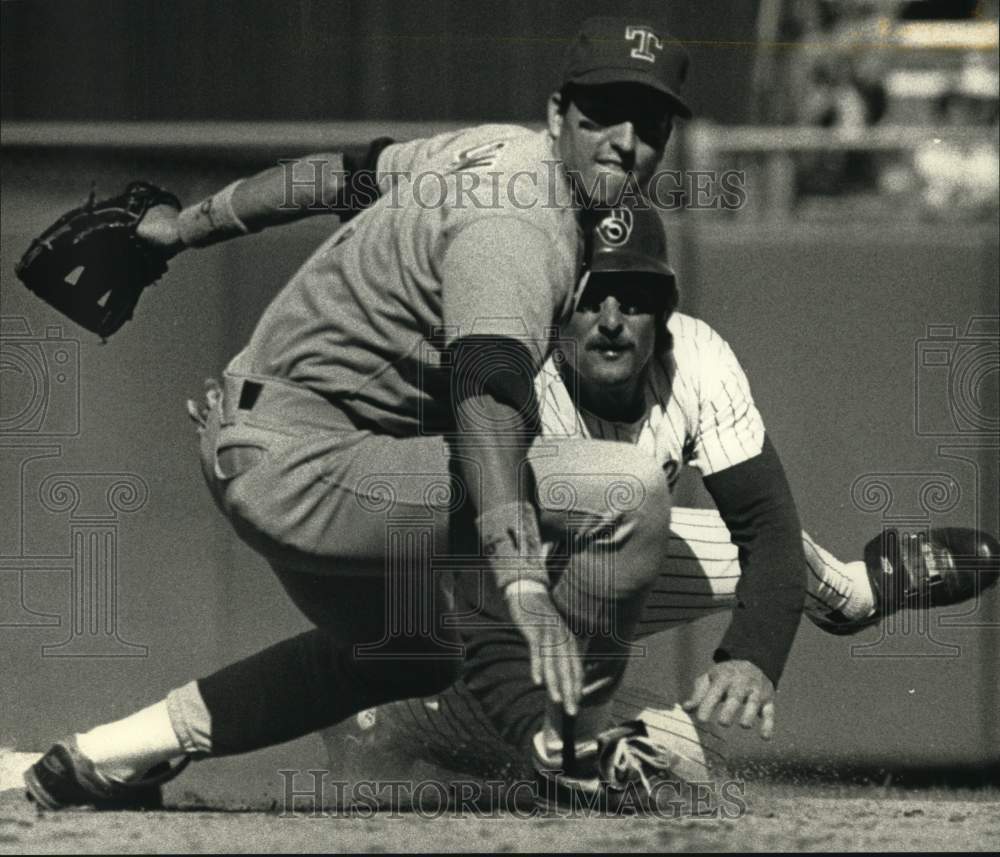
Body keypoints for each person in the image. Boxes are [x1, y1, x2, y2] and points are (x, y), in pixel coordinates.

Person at [25, 16, 710, 811]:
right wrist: (522, 581)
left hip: (272, 439)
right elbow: (486, 394)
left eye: (649, 124)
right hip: (306, 461)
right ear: (558, 113)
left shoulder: (489, 148)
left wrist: (184, 228)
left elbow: (339, 176)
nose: (625, 142)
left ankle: (108, 755)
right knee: (628, 492)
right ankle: (572, 750)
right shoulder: (521, 225)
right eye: (603, 114)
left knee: (410, 651)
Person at [325, 207, 1000, 793]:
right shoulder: (509, 371)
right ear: (555, 304)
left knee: (767, 555)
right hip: (476, 617)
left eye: (634, 299)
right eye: (591, 297)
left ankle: (854, 593)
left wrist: (753, 654)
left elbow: (764, 524)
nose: (611, 321)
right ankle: (393, 724)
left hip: (587, 580)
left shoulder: (696, 358)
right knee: (671, 768)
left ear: (665, 311)